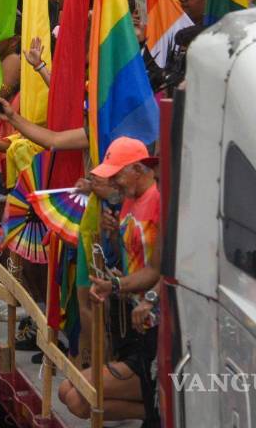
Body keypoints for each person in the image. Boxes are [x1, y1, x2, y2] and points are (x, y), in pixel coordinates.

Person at [58, 137, 162, 423]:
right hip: (132, 326)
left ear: (137, 169)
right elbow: (136, 258)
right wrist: (116, 238)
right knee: (69, 394)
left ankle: (159, 410)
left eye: (118, 174)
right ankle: (155, 410)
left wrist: (122, 287)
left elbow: (167, 269)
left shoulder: (159, 202)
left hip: (156, 328)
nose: (114, 182)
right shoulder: (129, 201)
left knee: (78, 396)